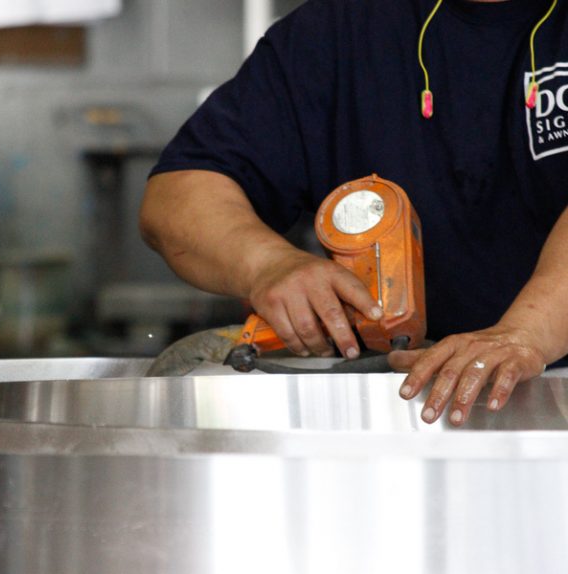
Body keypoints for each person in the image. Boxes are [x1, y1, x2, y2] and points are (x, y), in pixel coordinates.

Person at [140, 0, 568, 426]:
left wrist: (526, 334)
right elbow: (178, 194)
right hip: (395, 409)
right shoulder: (336, 29)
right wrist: (268, 263)